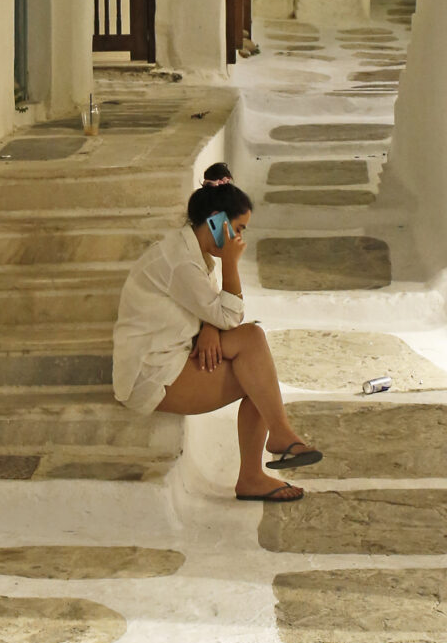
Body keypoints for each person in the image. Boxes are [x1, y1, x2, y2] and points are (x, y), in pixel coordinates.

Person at [111, 180, 320, 501]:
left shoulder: (191, 251)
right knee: (256, 375)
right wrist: (230, 262)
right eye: (238, 228)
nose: (239, 239)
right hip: (150, 376)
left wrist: (210, 326)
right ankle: (264, 457)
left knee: (253, 348)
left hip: (173, 357)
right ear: (216, 220)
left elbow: (213, 309)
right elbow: (228, 314)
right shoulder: (181, 260)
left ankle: (271, 446)